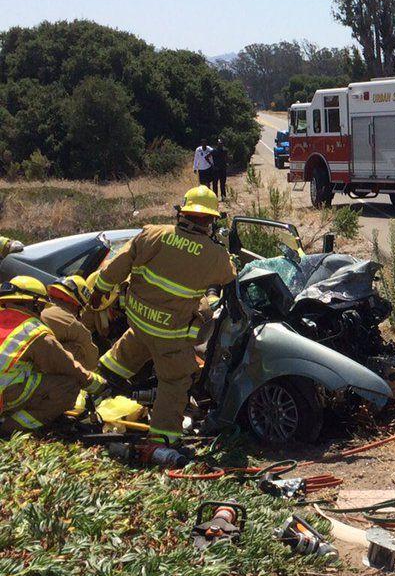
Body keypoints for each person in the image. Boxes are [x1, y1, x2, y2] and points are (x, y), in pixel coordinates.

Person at [90, 185, 236, 445]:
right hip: (169, 335)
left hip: (139, 322)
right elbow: (231, 277)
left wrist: (99, 291)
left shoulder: (152, 234)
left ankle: (89, 395)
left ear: (182, 212)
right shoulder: (214, 255)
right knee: (177, 379)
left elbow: (117, 266)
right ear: (212, 220)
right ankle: (163, 438)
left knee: (117, 361)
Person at [0, 276, 101, 436]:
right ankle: (8, 426)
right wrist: (94, 382)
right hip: (3, 394)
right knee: (67, 386)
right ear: (34, 303)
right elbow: (64, 363)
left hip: (6, 386)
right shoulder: (32, 329)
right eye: (40, 307)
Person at [42, 276, 99, 371]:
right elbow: (91, 358)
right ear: (76, 305)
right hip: (33, 370)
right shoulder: (69, 321)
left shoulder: (38, 304)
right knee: (79, 350)